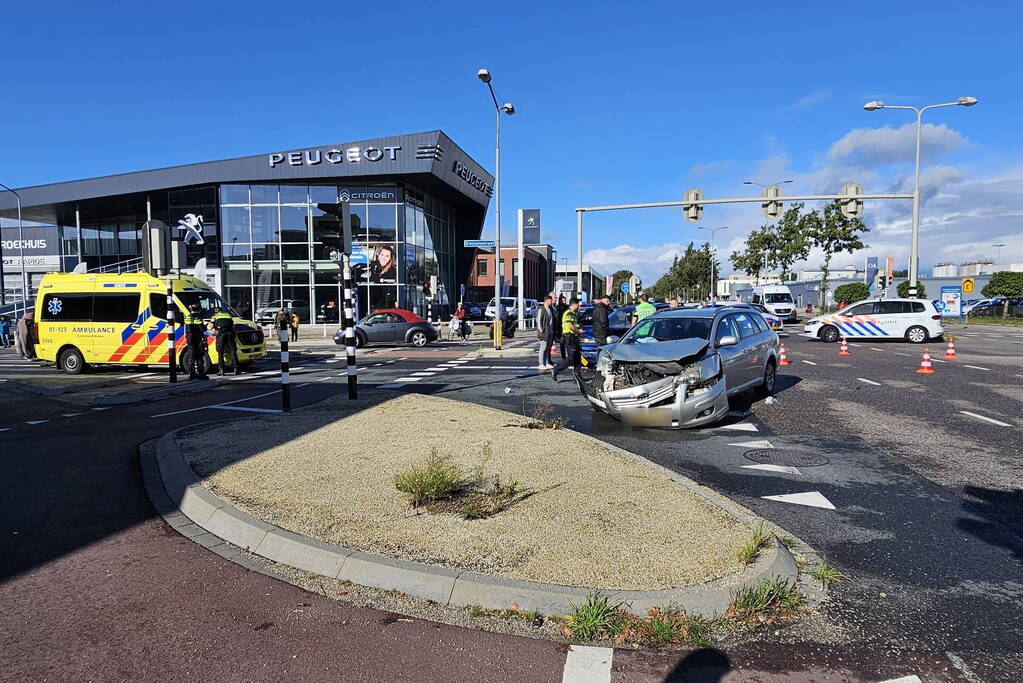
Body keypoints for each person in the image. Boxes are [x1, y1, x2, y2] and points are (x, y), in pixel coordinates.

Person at [550, 298, 582, 382]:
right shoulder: (569, 313)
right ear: (574, 304)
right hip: (569, 338)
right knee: (571, 359)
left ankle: (577, 377)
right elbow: (570, 326)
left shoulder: (573, 313)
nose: (579, 307)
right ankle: (556, 369)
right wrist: (578, 331)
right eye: (578, 305)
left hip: (573, 338)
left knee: (578, 359)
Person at [209, 306, 240, 376]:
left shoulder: (215, 316)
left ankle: (221, 370)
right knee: (233, 351)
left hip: (221, 334)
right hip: (230, 333)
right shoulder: (228, 315)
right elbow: (232, 324)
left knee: (220, 353)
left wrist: (213, 330)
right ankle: (236, 369)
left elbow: (211, 326)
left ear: (216, 311)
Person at [183, 304, 209, 380]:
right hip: (197, 338)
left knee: (191, 357)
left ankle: (192, 374)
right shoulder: (198, 317)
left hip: (189, 338)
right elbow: (202, 329)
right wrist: (206, 326)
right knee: (199, 356)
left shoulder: (187, 317)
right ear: (198, 310)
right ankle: (201, 374)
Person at [536, 295, 556, 369]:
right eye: (550, 301)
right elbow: (539, 321)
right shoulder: (542, 309)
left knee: (548, 348)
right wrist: (541, 330)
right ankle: (541, 363)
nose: (551, 302)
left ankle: (547, 362)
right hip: (545, 332)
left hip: (550, 332)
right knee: (543, 348)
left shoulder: (550, 309)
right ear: (547, 300)